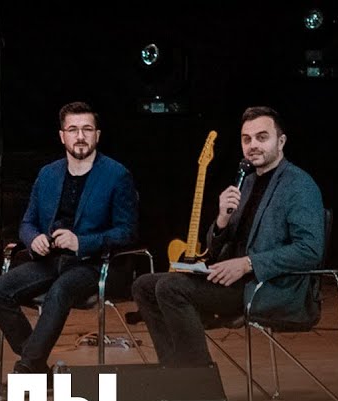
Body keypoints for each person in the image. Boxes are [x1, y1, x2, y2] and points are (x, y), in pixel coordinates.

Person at [132, 106, 324, 367]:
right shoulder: (246, 182)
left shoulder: (298, 185)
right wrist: (222, 220)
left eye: (262, 137)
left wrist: (248, 263)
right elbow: (214, 250)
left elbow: (310, 250)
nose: (253, 145)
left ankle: (198, 377)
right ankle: (174, 370)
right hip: (230, 280)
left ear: (281, 142)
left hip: (266, 287)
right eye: (247, 139)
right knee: (143, 285)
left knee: (170, 288)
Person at [0, 101, 138, 379]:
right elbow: (27, 223)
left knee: (60, 291)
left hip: (93, 263)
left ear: (97, 135)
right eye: (73, 130)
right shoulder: (48, 174)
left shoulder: (117, 175)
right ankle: (35, 365)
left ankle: (27, 369)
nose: (80, 136)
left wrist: (81, 242)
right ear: (62, 136)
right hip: (51, 259)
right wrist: (33, 239)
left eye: (87, 129)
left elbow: (127, 231)